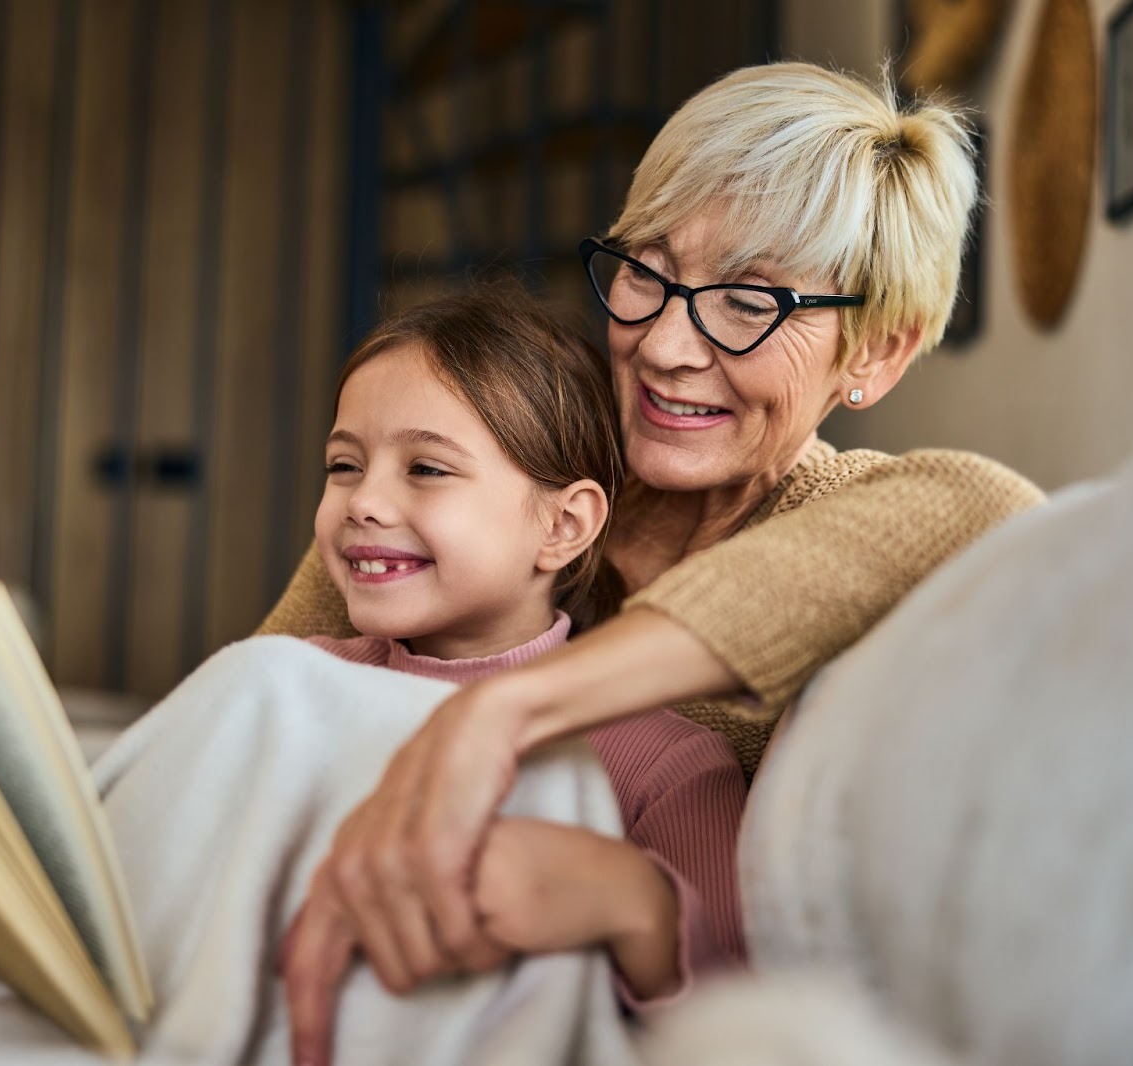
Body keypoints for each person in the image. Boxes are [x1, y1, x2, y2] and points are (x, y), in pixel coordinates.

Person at [275, 61, 1046, 1066]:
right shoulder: (492, 480)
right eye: (647, 268)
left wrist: (503, 708)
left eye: (749, 300)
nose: (667, 344)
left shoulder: (869, 519)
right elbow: (266, 698)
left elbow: (988, 504)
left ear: (876, 354)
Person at [0, 284, 746, 1013]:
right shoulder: (297, 679)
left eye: (425, 468)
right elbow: (133, 845)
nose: (364, 501)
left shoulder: (655, 756)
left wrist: (632, 899)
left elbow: (741, 997)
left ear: (564, 525)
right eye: (344, 464)